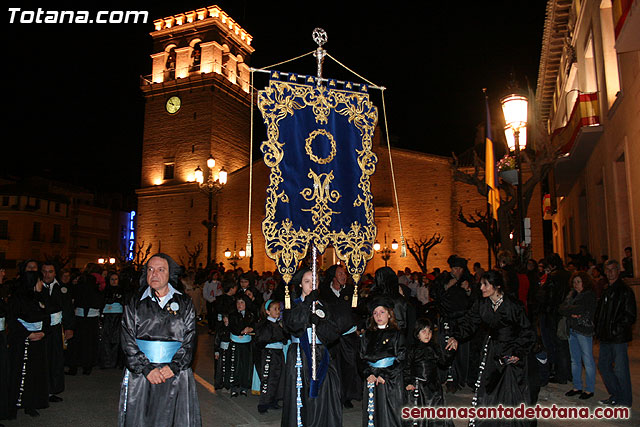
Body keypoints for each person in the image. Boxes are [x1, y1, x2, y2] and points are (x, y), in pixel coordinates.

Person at [118, 253, 201, 426]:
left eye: (160, 269)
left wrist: (174, 366)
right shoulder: (135, 302)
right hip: (142, 375)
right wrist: (146, 368)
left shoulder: (185, 303)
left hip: (175, 372)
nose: (154, 274)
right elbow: (127, 339)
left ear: (170, 274)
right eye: (150, 269)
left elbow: (190, 339)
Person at [446, 270, 535, 426]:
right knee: (489, 388)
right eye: (480, 284)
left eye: (485, 284)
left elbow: (527, 332)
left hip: (512, 351)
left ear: (497, 286)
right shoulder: (482, 304)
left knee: (511, 390)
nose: (481, 288)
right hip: (493, 350)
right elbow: (469, 322)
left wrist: (518, 352)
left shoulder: (513, 305)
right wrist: (456, 336)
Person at [281, 268, 342, 427]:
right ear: (300, 284)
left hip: (321, 354)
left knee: (322, 395)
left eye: (314, 281)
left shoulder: (324, 305)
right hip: (300, 356)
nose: (311, 285)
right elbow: (293, 325)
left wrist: (320, 323)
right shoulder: (293, 305)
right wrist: (307, 304)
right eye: (307, 282)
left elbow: (334, 334)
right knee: (301, 395)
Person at [7, 270, 49, 418]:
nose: (41, 284)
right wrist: (28, 334)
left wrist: (43, 332)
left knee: (35, 373)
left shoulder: (40, 297)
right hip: (23, 342)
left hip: (38, 341)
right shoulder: (18, 299)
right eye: (39, 281)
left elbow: (46, 317)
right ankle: (14, 404)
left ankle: (31, 403)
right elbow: (12, 320)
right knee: (20, 373)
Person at [594, 259, 636, 407]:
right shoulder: (606, 290)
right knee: (604, 366)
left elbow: (630, 315)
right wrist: (598, 329)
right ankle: (616, 395)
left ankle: (624, 400)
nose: (610, 272)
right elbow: (601, 313)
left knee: (620, 369)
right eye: (608, 269)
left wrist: (616, 329)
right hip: (606, 337)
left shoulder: (625, 291)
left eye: (613, 269)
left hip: (618, 338)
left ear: (618, 271)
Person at [319, 264, 361, 409]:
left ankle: (347, 396)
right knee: (334, 367)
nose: (344, 276)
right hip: (332, 336)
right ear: (333, 276)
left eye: (345, 273)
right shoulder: (324, 293)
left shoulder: (351, 291)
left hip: (349, 335)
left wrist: (359, 327)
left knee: (349, 366)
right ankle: (335, 394)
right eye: (340, 273)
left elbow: (359, 311)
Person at [360, 297, 406, 427]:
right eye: (375, 313)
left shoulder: (396, 334)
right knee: (373, 411)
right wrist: (368, 373)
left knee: (389, 413)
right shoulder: (368, 334)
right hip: (371, 377)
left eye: (382, 312)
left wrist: (384, 374)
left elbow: (401, 358)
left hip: (389, 379)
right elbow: (361, 357)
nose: (378, 316)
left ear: (389, 314)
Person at [431, 256, 471, 392]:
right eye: (455, 268)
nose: (457, 271)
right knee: (447, 349)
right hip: (447, 319)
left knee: (462, 351)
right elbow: (435, 294)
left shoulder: (468, 279)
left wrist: (468, 290)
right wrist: (447, 286)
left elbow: (475, 299)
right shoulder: (444, 279)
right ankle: (449, 378)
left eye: (460, 269)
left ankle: (461, 378)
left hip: (463, 321)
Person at [403, 318, 454, 427]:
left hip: (434, 386)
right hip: (419, 386)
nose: (427, 334)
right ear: (417, 334)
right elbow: (407, 367)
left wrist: (450, 351)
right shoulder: (412, 349)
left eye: (429, 331)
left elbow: (443, 362)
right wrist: (408, 382)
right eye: (424, 331)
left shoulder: (434, 347)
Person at [558, 271, 596, 400]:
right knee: (574, 360)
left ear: (585, 282)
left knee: (587, 360)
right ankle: (577, 386)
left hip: (584, 330)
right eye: (574, 282)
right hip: (572, 330)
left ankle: (590, 389)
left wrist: (570, 311)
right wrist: (570, 312)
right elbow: (561, 308)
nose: (576, 284)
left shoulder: (589, 295)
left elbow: (579, 310)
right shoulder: (572, 294)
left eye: (578, 282)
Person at [67, 264, 104, 376]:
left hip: (80, 315)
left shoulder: (80, 285)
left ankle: (74, 366)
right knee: (89, 343)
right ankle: (87, 367)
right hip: (91, 316)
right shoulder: (97, 286)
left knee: (76, 343)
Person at [254, 299, 287, 413]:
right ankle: (263, 403)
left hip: (278, 353)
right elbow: (262, 340)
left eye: (279, 309)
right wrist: (277, 337)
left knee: (279, 377)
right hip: (269, 353)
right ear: (268, 312)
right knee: (268, 378)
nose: (278, 311)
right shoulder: (265, 325)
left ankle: (274, 400)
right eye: (275, 309)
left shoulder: (278, 324)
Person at [41, 262, 65, 403]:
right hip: (41, 329)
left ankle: (52, 390)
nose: (47, 275)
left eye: (50, 271)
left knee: (55, 360)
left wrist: (69, 328)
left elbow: (67, 308)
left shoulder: (61, 288)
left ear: (55, 273)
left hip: (56, 329)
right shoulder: (36, 287)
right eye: (44, 271)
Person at [227, 294, 256, 397]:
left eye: (242, 302)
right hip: (235, 343)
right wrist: (242, 331)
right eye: (238, 303)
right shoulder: (233, 315)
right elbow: (233, 328)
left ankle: (244, 387)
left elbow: (254, 325)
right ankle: (234, 387)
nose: (240, 305)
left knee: (246, 366)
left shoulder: (251, 315)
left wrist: (251, 329)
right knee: (235, 365)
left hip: (247, 344)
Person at [99, 272, 125, 369]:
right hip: (107, 316)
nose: (114, 281)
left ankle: (115, 362)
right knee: (106, 339)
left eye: (116, 279)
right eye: (112, 279)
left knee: (116, 340)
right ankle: (106, 362)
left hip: (118, 316)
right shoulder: (105, 291)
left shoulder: (122, 291)